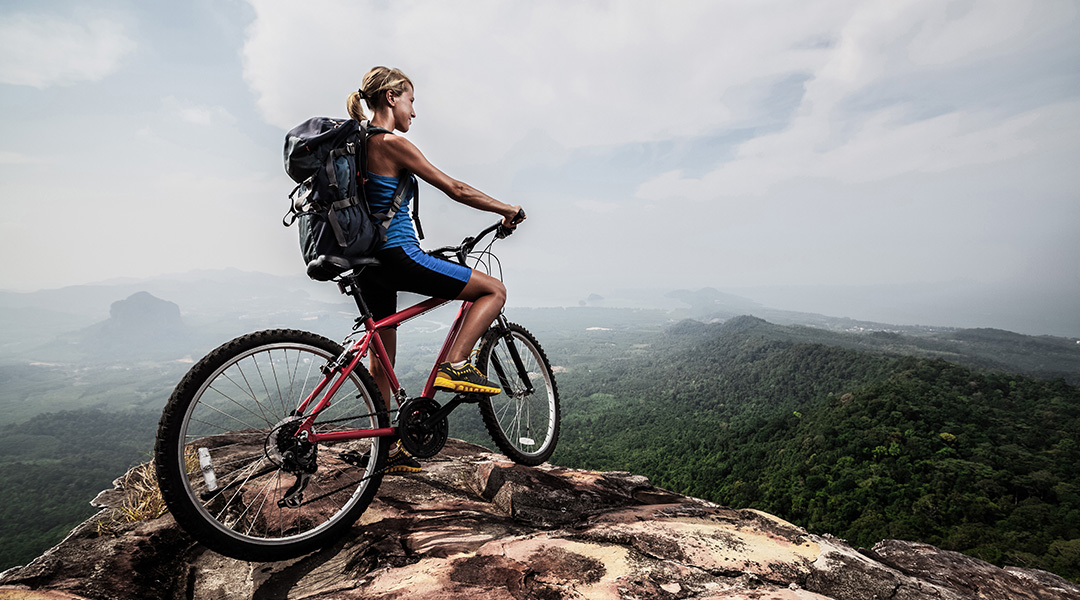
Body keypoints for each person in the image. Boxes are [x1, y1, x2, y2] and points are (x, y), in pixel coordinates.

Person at [346, 66, 524, 473]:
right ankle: (455, 363)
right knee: (493, 290)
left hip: (366, 264)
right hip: (397, 255)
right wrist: (506, 209)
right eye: (411, 100)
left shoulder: (355, 144)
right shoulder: (391, 143)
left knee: (381, 353)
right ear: (391, 98)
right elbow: (455, 188)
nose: (414, 111)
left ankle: (383, 445)